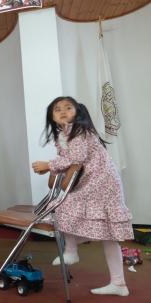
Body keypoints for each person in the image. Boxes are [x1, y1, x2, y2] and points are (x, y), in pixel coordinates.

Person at [32, 96, 133, 297]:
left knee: (64, 206)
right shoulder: (64, 135)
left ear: (78, 112)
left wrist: (48, 165)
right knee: (107, 234)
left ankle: (71, 250)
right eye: (57, 109)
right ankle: (119, 283)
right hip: (95, 183)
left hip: (102, 183)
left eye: (68, 108)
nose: (62, 111)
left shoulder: (80, 132)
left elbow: (76, 158)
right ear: (52, 117)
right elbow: (66, 160)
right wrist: (50, 168)